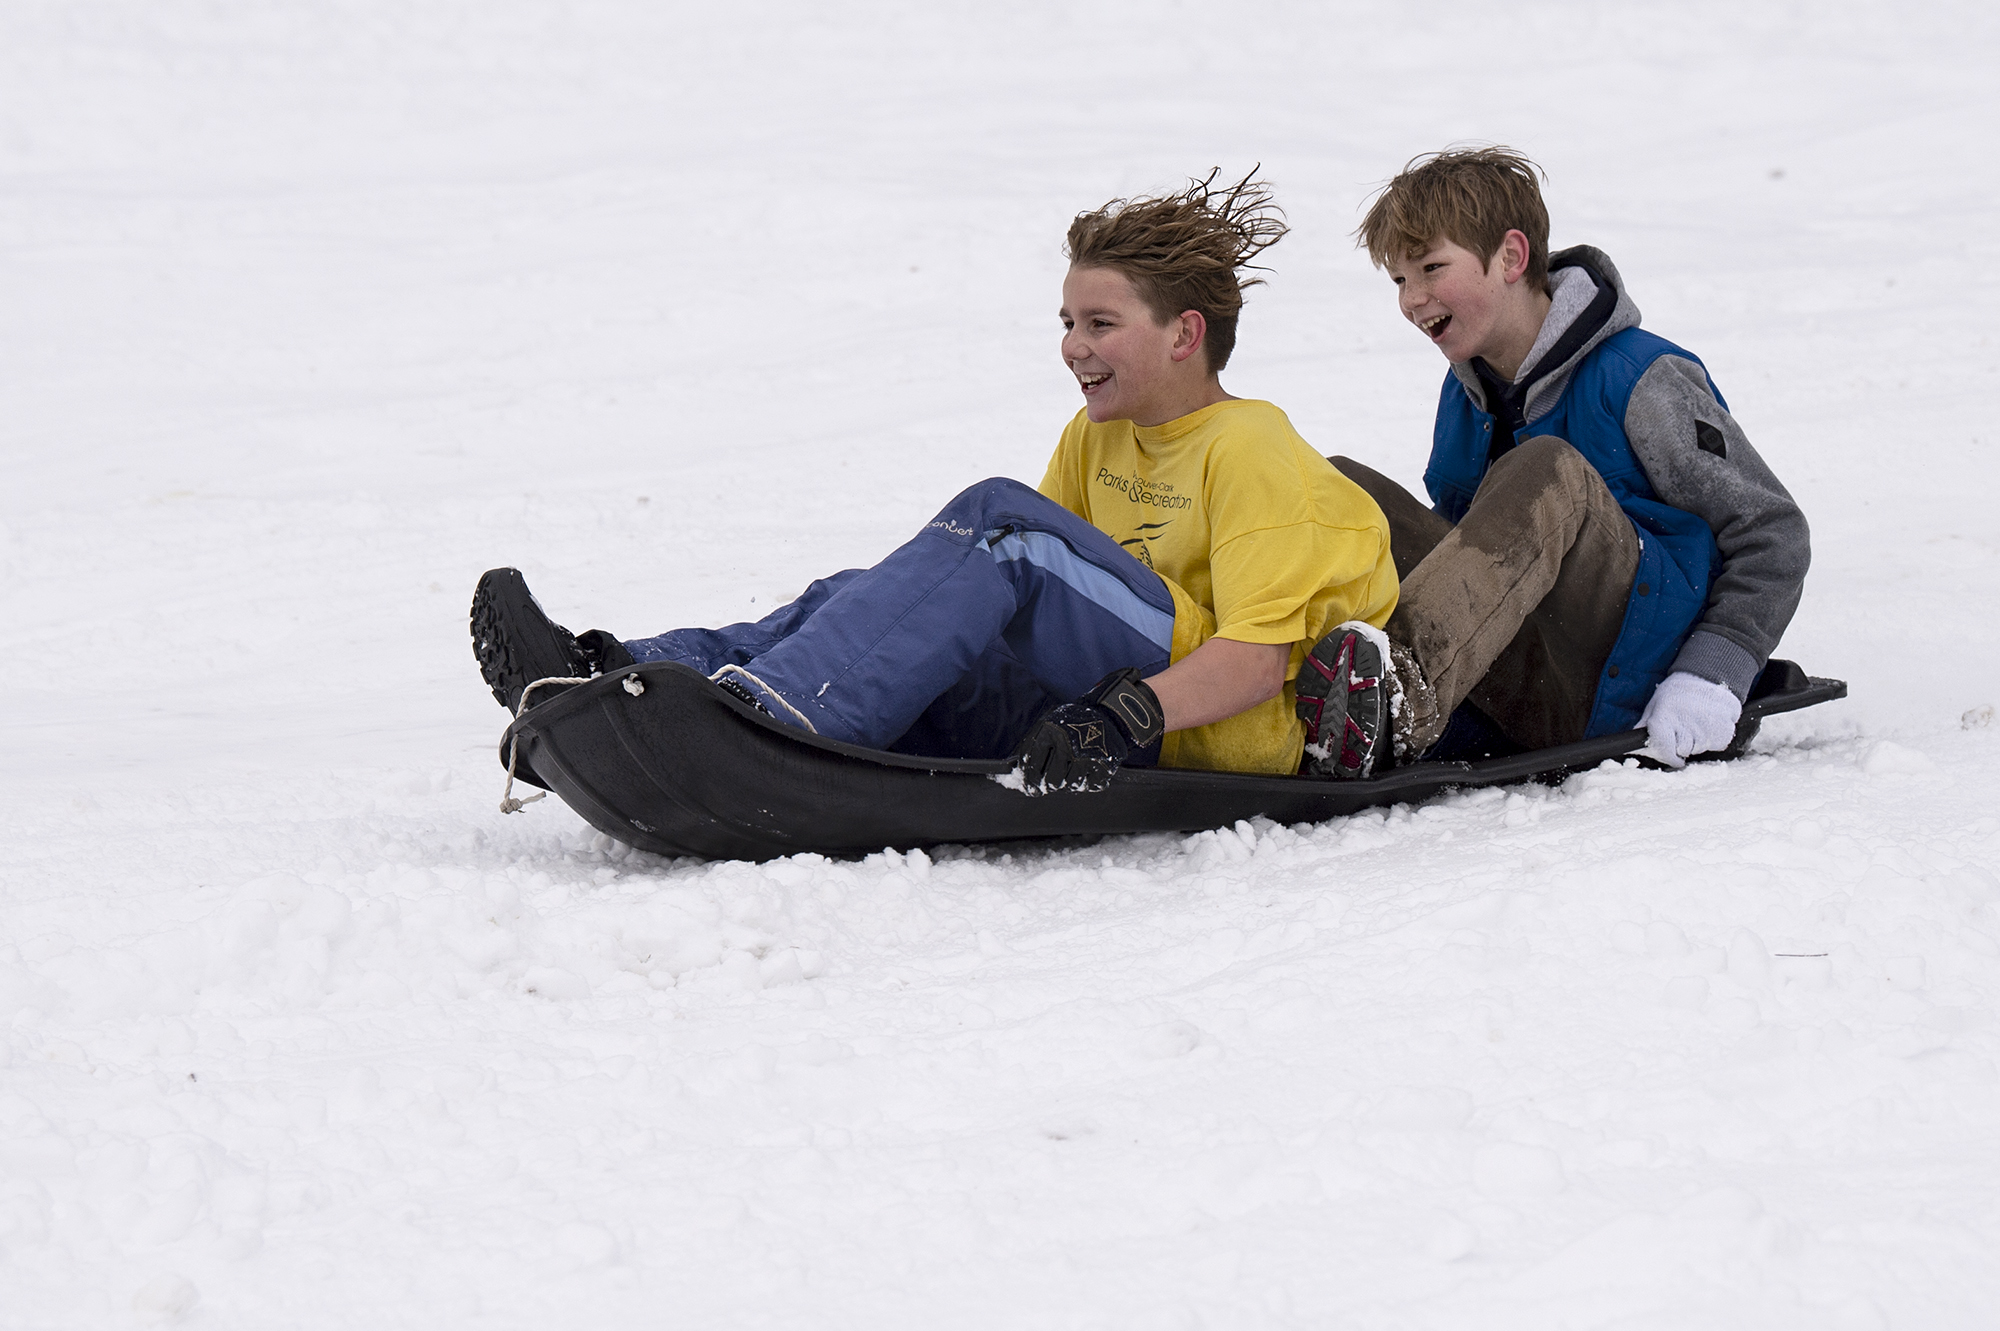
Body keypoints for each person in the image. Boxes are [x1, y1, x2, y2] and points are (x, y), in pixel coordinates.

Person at [472, 172, 1397, 794]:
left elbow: (1258, 661)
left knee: (1001, 529)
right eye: (1068, 319)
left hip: (1220, 727)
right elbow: (1019, 603)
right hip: (1099, 700)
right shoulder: (1095, 437)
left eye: (1101, 322)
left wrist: (1127, 715)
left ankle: (766, 725)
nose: (1072, 345)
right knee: (865, 605)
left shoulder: (1249, 446)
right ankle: (616, 676)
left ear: (1184, 335)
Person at [1295, 147, 1810, 777]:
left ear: (1511, 257)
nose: (1412, 298)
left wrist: (1713, 674)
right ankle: (1278, 683)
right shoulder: (1466, 394)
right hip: (1520, 674)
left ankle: (1393, 699)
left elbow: (1771, 534)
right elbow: (1471, 553)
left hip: (1629, 683)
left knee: (1545, 470)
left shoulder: (1641, 378)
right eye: (1400, 280)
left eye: (1431, 268)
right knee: (1334, 488)